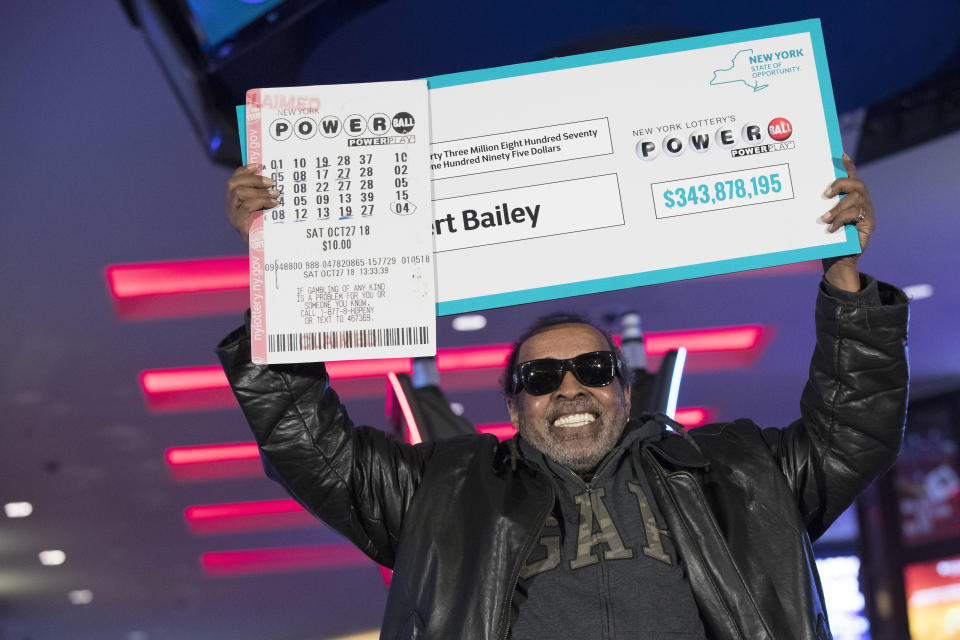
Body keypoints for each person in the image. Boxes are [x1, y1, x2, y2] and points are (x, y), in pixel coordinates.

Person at [219, 155, 909, 639]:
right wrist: (273, 275)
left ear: (623, 384)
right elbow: (308, 445)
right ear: (515, 407)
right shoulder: (444, 497)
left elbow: (855, 428)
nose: (570, 387)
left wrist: (846, 279)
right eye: (542, 378)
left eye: (592, 366)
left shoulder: (734, 473)